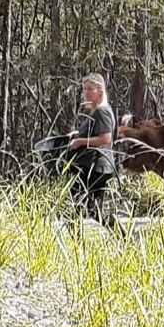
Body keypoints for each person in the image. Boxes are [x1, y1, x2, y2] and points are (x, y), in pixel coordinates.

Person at [66, 72, 118, 221]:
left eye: (90, 89)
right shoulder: (96, 110)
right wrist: (78, 134)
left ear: (100, 91)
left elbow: (106, 139)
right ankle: (123, 238)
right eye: (84, 89)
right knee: (93, 210)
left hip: (96, 167)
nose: (86, 93)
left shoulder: (102, 112)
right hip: (93, 167)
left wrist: (80, 142)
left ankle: (74, 240)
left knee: (75, 205)